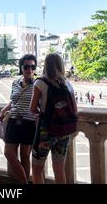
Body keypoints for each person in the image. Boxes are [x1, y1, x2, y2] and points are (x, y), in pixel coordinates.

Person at [30, 53, 78, 184]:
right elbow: (75, 109)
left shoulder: (40, 83)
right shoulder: (67, 83)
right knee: (59, 170)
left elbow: (32, 109)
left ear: (46, 65)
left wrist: (44, 112)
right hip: (64, 131)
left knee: (36, 169)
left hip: (46, 132)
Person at [0, 54, 37, 184]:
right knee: (9, 153)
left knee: (25, 156)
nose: (29, 69)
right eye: (26, 66)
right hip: (14, 121)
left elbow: (42, 103)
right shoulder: (15, 83)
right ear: (21, 67)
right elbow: (13, 101)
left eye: (32, 66)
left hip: (29, 122)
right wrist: (4, 109)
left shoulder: (38, 83)